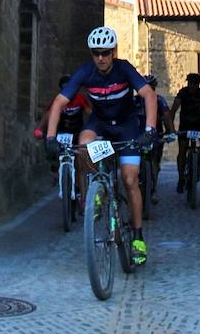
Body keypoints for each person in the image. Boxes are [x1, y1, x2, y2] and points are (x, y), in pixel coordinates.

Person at [45, 26, 157, 266]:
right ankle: (97, 190)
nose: (101, 58)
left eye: (106, 52)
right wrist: (50, 137)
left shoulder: (124, 68)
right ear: (91, 54)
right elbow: (58, 103)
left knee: (129, 180)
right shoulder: (86, 71)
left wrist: (149, 130)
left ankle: (137, 236)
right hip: (100, 125)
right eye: (96, 53)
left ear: (113, 51)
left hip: (127, 126)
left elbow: (149, 95)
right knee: (83, 144)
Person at [36, 76, 90, 201]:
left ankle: (83, 199)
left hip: (77, 131)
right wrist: (39, 128)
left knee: (80, 164)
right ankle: (56, 171)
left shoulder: (80, 98)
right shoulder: (58, 100)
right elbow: (48, 115)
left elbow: (89, 112)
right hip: (62, 131)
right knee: (53, 148)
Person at [135, 75, 174, 203]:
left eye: (151, 87)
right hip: (137, 136)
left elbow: (167, 116)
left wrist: (170, 131)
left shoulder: (160, 100)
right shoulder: (134, 101)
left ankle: (153, 189)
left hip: (155, 136)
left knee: (155, 162)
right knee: (134, 164)